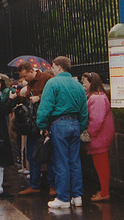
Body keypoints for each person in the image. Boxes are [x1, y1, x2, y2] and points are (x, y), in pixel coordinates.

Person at [36, 56, 88, 209]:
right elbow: (84, 110)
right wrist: (82, 126)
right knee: (75, 161)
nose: (52, 69)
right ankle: (77, 196)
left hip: (59, 124)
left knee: (61, 161)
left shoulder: (52, 83)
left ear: (58, 67)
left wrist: (42, 125)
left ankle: (63, 198)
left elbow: (45, 107)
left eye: (53, 66)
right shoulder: (78, 85)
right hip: (75, 124)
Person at [17, 62, 56, 196]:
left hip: (45, 123)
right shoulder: (29, 84)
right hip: (34, 124)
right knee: (32, 155)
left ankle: (52, 185)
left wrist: (38, 97)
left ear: (31, 71)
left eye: (25, 76)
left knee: (49, 154)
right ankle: (34, 185)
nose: (24, 79)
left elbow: (53, 97)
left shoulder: (46, 79)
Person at [82, 71, 114, 202]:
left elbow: (96, 120)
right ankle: (104, 190)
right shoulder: (97, 96)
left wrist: (89, 133)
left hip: (99, 137)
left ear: (92, 83)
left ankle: (105, 192)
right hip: (100, 136)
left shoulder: (97, 98)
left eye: (84, 82)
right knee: (100, 165)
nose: (82, 84)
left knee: (101, 165)